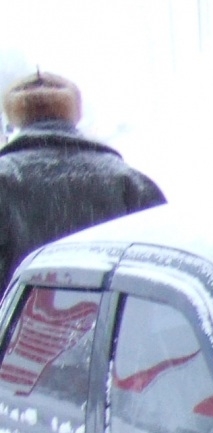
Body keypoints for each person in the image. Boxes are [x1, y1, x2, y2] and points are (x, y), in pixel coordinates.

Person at [1, 72, 165, 285]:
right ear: (75, 112)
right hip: (117, 314)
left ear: (13, 116)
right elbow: (161, 266)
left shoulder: (6, 180)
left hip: (22, 316)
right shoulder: (127, 181)